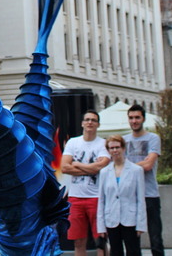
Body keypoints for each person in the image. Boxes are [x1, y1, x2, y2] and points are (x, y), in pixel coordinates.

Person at [60, 110, 110, 256]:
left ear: (98, 124)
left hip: (97, 197)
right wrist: (91, 169)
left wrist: (76, 164)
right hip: (75, 197)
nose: (90, 122)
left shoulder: (103, 144)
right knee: (78, 241)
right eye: (87, 119)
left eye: (93, 120)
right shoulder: (73, 142)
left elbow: (101, 167)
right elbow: (64, 168)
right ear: (82, 123)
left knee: (100, 240)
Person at [124, 104, 164, 256]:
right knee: (132, 240)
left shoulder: (153, 138)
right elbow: (118, 166)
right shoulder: (124, 140)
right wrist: (136, 165)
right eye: (131, 118)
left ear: (143, 119)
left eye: (137, 117)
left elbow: (148, 165)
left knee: (155, 238)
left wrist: (128, 166)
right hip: (130, 195)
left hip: (150, 193)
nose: (134, 121)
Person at [96, 136, 146, 256]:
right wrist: (101, 226)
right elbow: (102, 200)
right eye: (112, 148)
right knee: (115, 251)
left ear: (123, 148)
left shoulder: (136, 170)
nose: (115, 150)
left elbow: (140, 199)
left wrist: (141, 224)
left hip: (130, 218)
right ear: (108, 150)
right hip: (111, 218)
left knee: (133, 251)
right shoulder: (104, 172)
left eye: (117, 147)